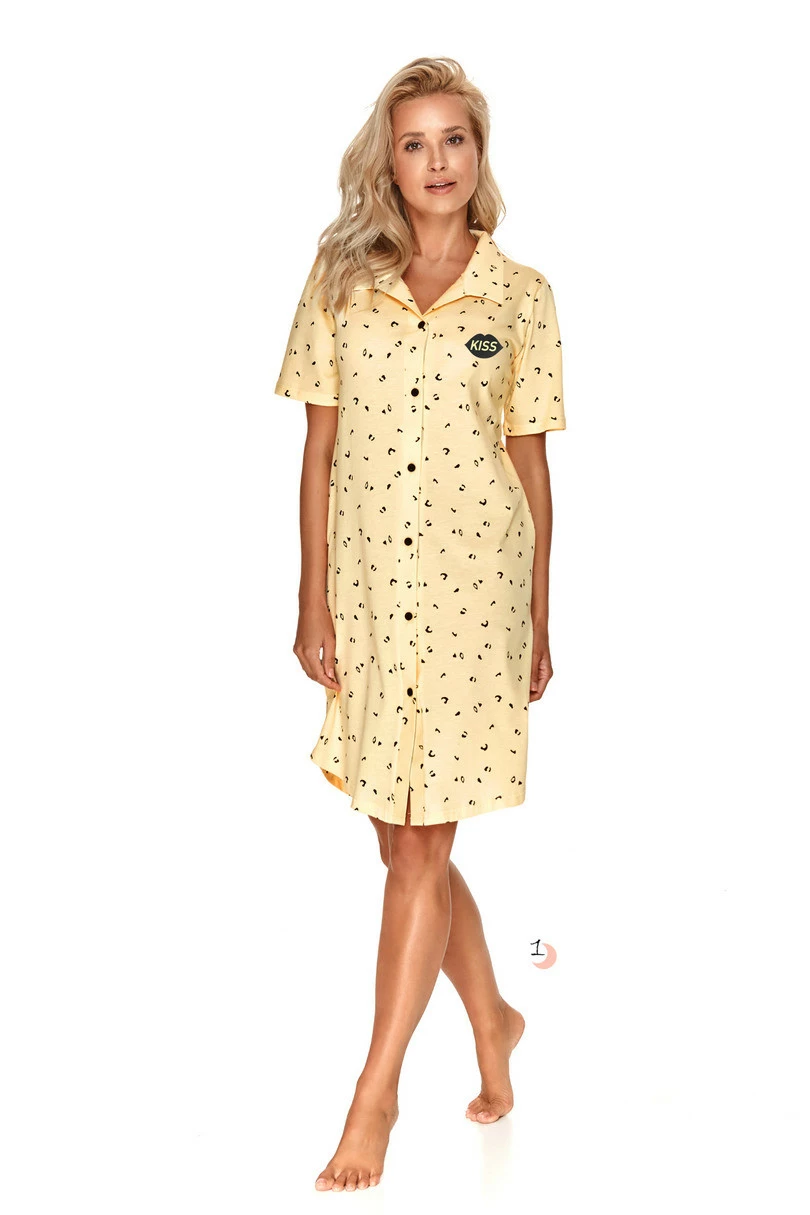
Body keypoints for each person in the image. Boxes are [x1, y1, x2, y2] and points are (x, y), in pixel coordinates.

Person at [274, 56, 566, 1193]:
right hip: (368, 597)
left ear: (478, 154)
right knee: (405, 843)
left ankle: (375, 1097)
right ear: (387, 162)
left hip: (476, 598)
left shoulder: (521, 296)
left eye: (456, 139)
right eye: (415, 142)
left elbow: (530, 467)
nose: (438, 161)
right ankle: (494, 1015)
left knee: (423, 846)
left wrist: (540, 613)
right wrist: (310, 597)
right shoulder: (341, 279)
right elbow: (318, 452)